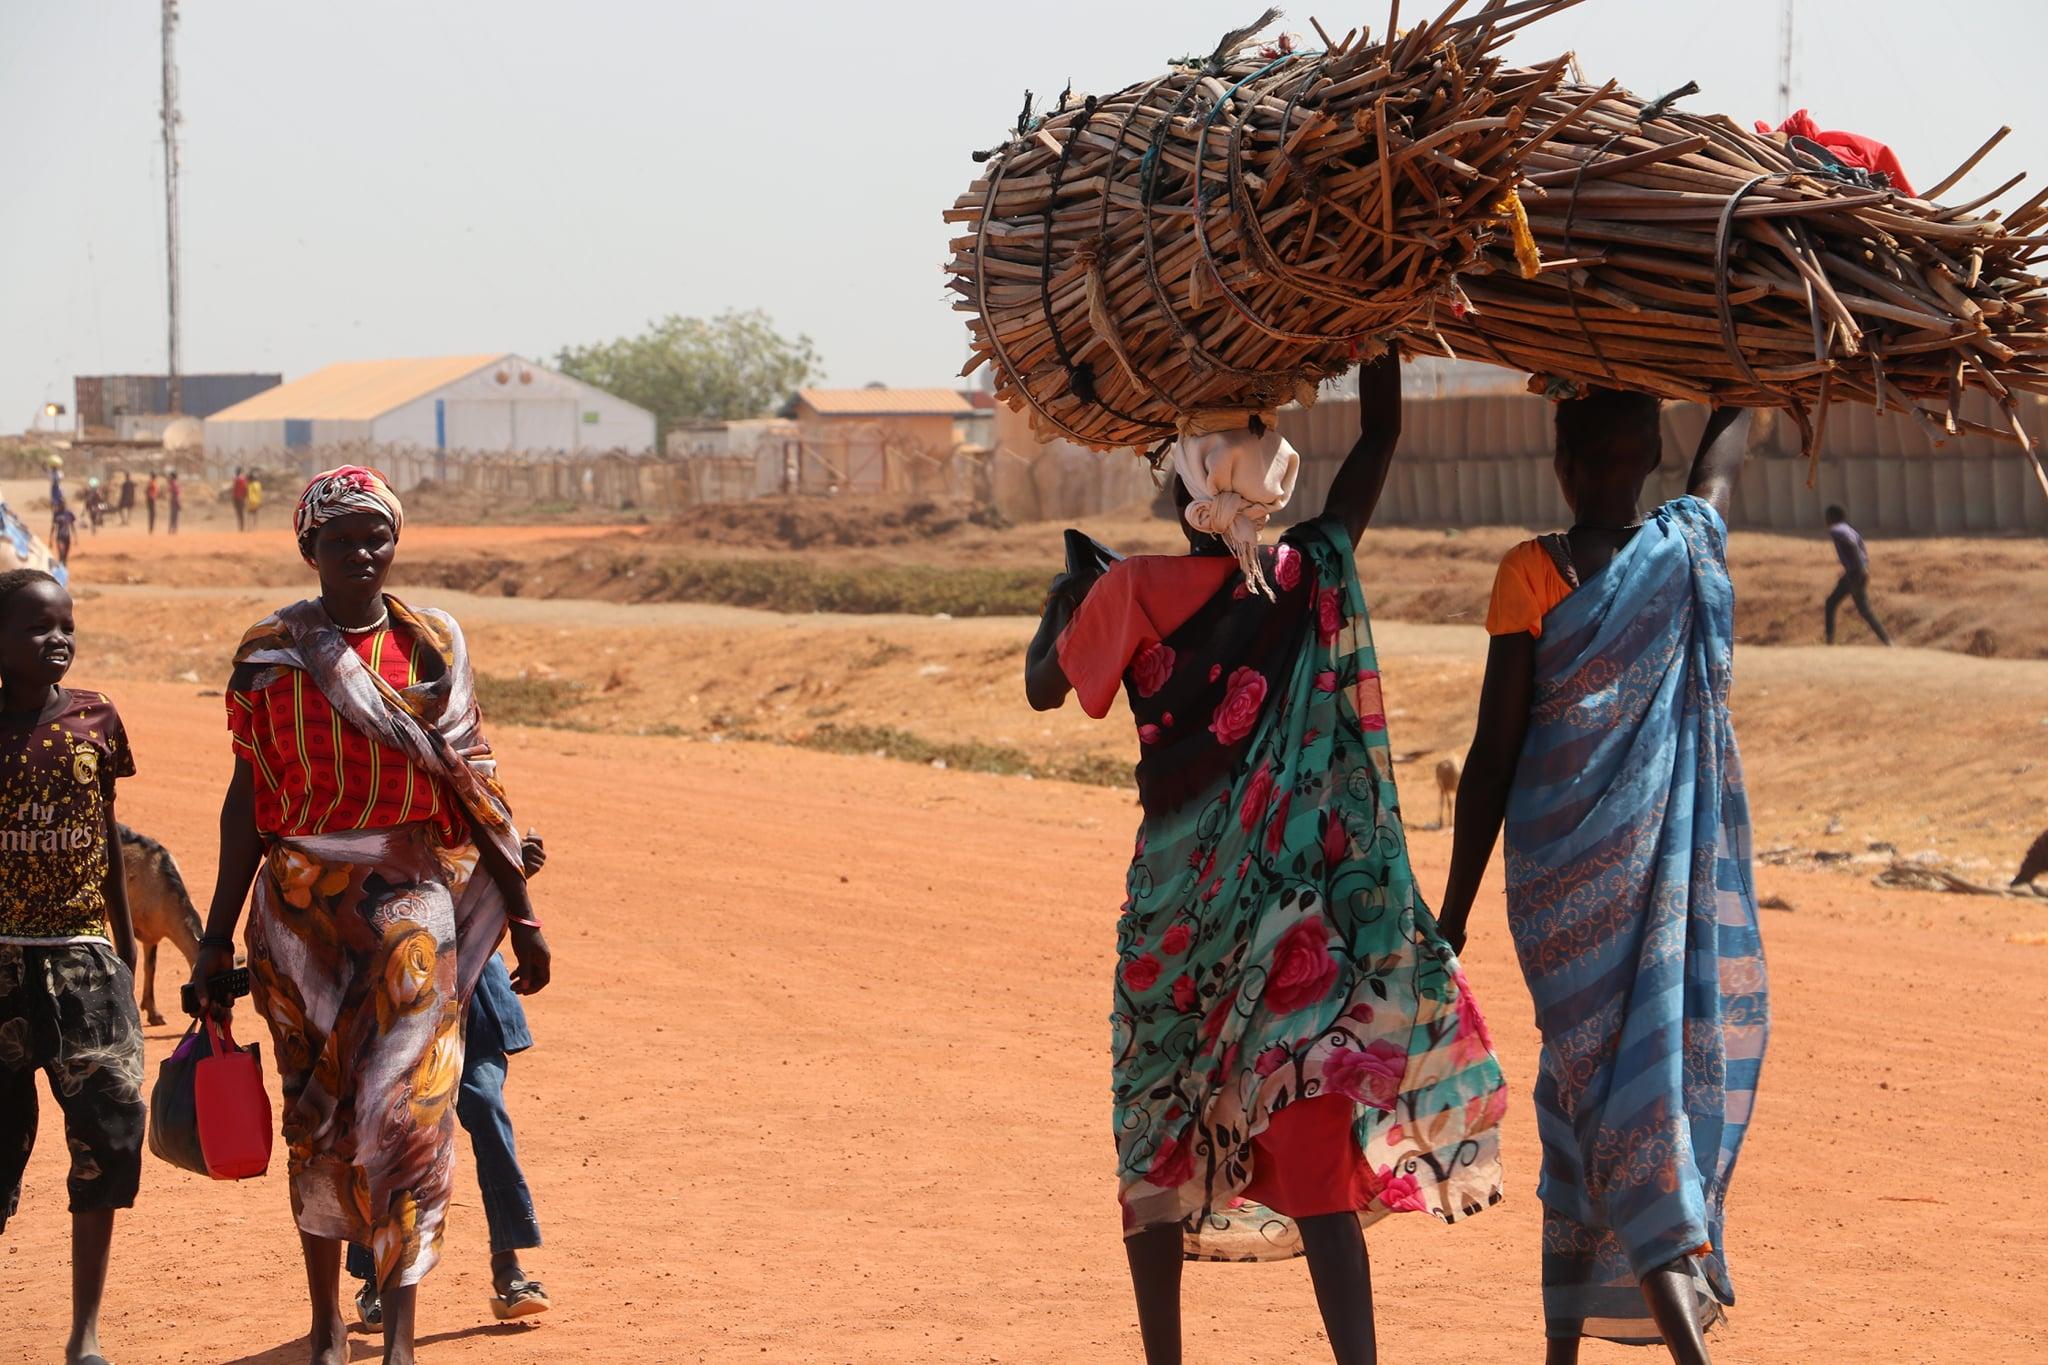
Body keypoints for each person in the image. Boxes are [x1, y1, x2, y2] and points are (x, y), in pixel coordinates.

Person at [1024, 353, 1508, 1365]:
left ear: (1181, 489)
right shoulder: (1307, 571)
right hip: (1297, 922)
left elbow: (1045, 687)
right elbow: (1380, 439)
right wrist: (1382, 330)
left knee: (1156, 1131)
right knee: (1312, 1147)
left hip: (1175, 921)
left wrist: (1063, 600)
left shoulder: (1128, 589)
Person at [188, 466, 552, 1365]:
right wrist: (214, 935)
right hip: (296, 924)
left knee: (411, 1121)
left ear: (396, 542)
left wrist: (523, 914)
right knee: (316, 1122)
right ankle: (325, 1328)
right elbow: (246, 802)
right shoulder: (269, 658)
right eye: (340, 539)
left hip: (409, 919)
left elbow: (476, 787)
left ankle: (398, 1339)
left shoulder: (432, 648)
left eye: (375, 536)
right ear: (308, 548)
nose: (360, 552)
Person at [1435, 391, 1769, 1365]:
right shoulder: (1685, 546)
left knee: (1614, 1125)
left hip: (1560, 903)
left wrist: (1451, 913)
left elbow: (1491, 760)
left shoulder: (1529, 573)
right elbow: (1721, 462)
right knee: (1592, 1110)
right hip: (1653, 890)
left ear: (1562, 461)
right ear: (1649, 454)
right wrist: (1740, 370)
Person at [0, 568, 143, 1365]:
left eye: (66, 625)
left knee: (107, 1138)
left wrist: (122, 942)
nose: (57, 638)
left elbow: (106, 831)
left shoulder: (97, 718)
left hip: (83, 960)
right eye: (36, 626)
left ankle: (85, 1330)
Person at [350, 832, 553, 1333]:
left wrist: (513, 872)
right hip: (397, 985)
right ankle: (378, 1276)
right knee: (390, 1128)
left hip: (472, 985)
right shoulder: (388, 809)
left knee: (485, 1108)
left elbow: (487, 868)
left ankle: (509, 1270)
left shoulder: (472, 804)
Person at [1823, 504, 1891, 645]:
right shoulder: (1849, 529)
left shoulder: (1837, 530)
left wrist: (1860, 568)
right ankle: (1887, 641)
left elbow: (1851, 544)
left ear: (1832, 517)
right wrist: (1863, 567)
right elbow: (1860, 547)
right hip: (1854, 574)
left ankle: (1887, 641)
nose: (1825, 520)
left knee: (1863, 610)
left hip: (1855, 574)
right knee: (1832, 603)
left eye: (1827, 516)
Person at [51, 500, 76, 568]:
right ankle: (61, 566)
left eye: (62, 505)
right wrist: (51, 539)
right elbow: (53, 527)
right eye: (60, 505)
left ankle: (64, 567)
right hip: (59, 536)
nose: (61, 506)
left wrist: (75, 537)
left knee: (65, 555)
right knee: (61, 552)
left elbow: (72, 526)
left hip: (67, 536)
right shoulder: (56, 514)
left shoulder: (69, 514)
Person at [232, 468, 249, 532]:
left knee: (239, 513)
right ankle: (241, 527)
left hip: (237, 497)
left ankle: (241, 527)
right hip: (240, 498)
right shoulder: (243, 479)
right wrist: (246, 496)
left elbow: (234, 488)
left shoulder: (236, 479)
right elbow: (245, 488)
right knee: (241, 513)